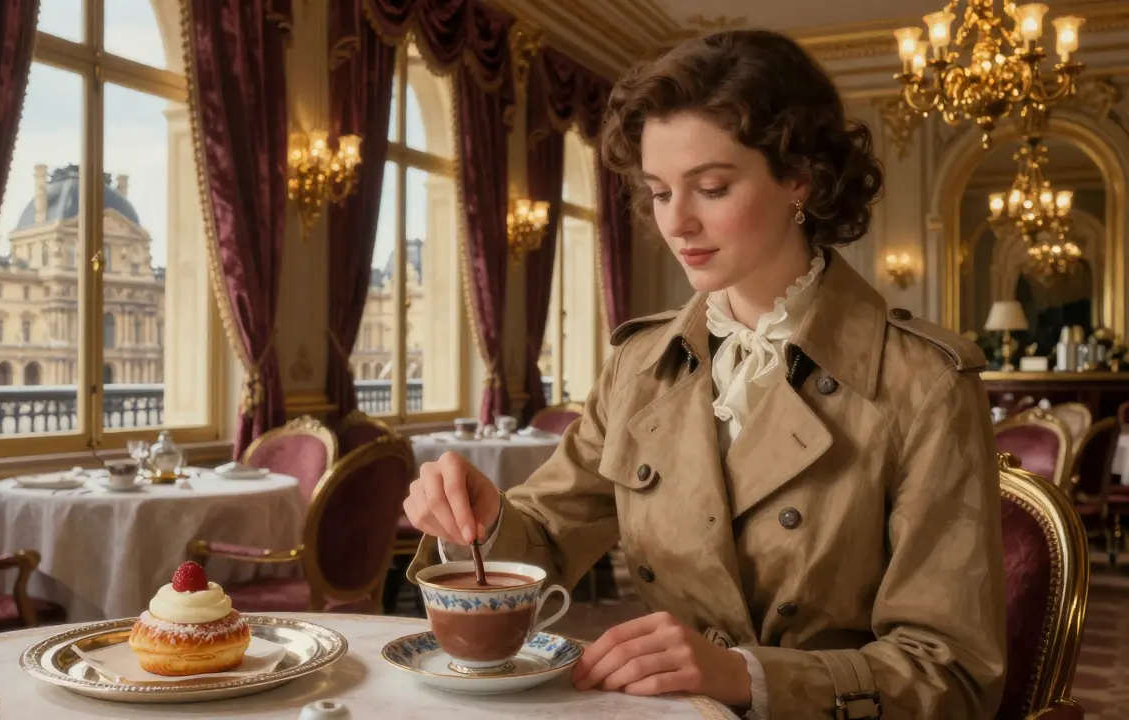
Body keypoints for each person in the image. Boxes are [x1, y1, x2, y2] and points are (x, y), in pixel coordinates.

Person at [403, 29, 1005, 720]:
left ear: (800, 178)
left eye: (712, 187)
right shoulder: (640, 364)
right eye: (659, 192)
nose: (677, 222)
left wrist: (747, 676)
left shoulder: (924, 383)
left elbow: (953, 675)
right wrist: (477, 520)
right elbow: (543, 540)